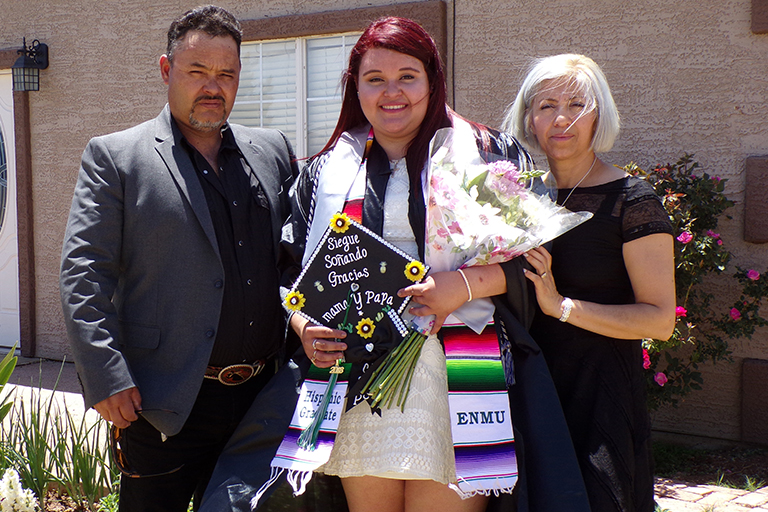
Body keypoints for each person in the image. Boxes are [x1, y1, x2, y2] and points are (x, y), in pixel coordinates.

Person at [272, 17, 589, 512]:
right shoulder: (323, 172)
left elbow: (534, 258)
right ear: (355, 86)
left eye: (408, 76)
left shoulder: (487, 154)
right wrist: (302, 323)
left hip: (456, 373)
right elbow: (291, 271)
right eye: (374, 79)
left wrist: (461, 285)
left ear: (433, 80)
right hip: (357, 373)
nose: (391, 92)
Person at [59, 6, 298, 511]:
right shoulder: (116, 157)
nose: (213, 86)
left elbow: (296, 258)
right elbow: (84, 272)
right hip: (161, 404)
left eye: (226, 74)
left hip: (263, 400)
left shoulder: (273, 150)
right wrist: (106, 374)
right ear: (167, 70)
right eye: (197, 71)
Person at [503, 53, 676, 512]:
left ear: (598, 114)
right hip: (525, 393)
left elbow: (660, 321)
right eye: (546, 106)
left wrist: (560, 305)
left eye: (576, 105)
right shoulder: (512, 202)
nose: (561, 119)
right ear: (529, 119)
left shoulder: (631, 200)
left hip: (598, 394)